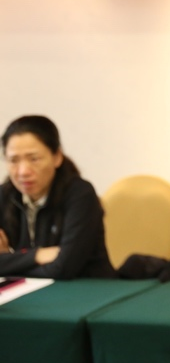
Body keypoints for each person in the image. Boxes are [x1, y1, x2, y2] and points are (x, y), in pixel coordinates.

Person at [0, 115, 116, 279]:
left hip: (89, 288)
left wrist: (9, 262)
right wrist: (37, 255)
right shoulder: (6, 195)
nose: (23, 171)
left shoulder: (80, 194)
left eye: (34, 159)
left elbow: (64, 267)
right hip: (33, 290)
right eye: (14, 160)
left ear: (57, 157)